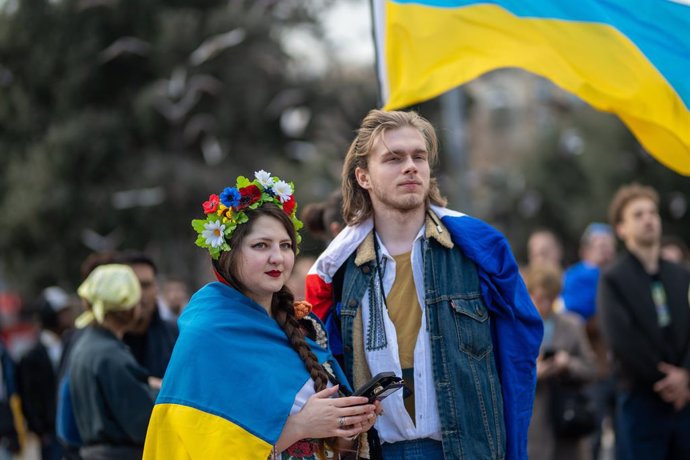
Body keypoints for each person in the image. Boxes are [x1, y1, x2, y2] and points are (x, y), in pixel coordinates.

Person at [305, 109, 543, 459]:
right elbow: (327, 365)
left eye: (419, 156)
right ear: (363, 176)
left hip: (467, 450)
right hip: (381, 450)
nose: (410, 166)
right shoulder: (339, 272)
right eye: (393, 158)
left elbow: (517, 356)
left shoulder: (478, 253)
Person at [144, 170, 379, 460]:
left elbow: (330, 446)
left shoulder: (305, 325)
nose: (277, 258)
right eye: (261, 246)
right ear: (228, 254)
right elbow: (198, 444)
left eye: (285, 246)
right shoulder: (207, 333)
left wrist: (350, 425)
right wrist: (299, 426)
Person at [598, 183, 690, 460]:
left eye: (652, 212)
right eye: (638, 215)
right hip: (641, 400)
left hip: (685, 401)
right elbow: (621, 340)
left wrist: (686, 374)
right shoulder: (612, 279)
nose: (648, 219)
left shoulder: (680, 274)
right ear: (621, 228)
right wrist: (668, 381)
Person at [67, 264, 159, 460]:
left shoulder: (87, 345)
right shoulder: (110, 355)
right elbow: (143, 421)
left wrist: (146, 384)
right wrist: (162, 391)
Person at [525, 264, 596, 460]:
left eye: (551, 299)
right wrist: (535, 373)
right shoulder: (519, 326)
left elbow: (591, 369)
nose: (544, 305)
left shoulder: (572, 324)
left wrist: (568, 364)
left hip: (567, 420)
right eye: (539, 298)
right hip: (534, 424)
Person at [561, 223, 617, 459]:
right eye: (598, 245)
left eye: (608, 245)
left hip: (622, 370)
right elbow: (575, 315)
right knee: (592, 436)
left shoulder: (619, 275)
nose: (604, 250)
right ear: (586, 250)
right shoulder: (577, 277)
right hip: (594, 367)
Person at [18, 286, 75, 460]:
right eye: (62, 313)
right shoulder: (32, 356)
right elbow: (28, 397)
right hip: (50, 436)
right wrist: (40, 431)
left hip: (72, 429)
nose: (68, 317)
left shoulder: (73, 344)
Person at [117, 251, 178, 379]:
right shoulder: (102, 342)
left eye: (145, 285)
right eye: (131, 285)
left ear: (156, 289)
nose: (138, 293)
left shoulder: (177, 337)